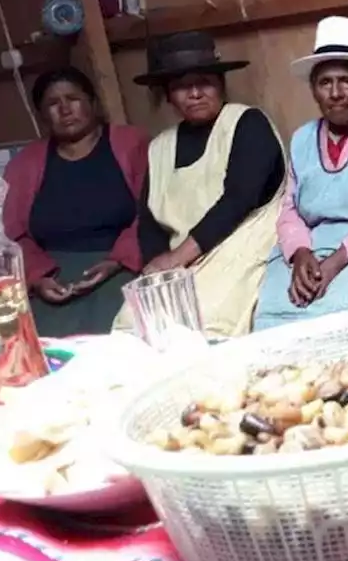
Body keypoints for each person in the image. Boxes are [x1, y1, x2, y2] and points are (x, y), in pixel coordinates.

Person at [121, 31, 285, 337]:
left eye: (204, 82)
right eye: (182, 86)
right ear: (167, 94)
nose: (195, 93)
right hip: (179, 265)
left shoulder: (247, 124)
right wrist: (158, 266)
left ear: (221, 84)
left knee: (207, 324)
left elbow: (238, 199)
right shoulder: (160, 147)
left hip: (239, 250)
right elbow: (149, 222)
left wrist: (177, 258)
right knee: (132, 326)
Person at [253, 18, 348, 330]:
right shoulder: (301, 138)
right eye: (325, 83)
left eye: (346, 81)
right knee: (274, 316)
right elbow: (290, 209)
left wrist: (337, 261)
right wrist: (299, 253)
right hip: (309, 245)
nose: (335, 92)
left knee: (341, 319)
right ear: (314, 90)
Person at [2, 67, 148, 336]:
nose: (65, 109)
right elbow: (12, 233)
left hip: (123, 267)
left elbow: (151, 212)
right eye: (53, 104)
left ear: (92, 102)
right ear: (42, 115)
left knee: (117, 341)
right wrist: (37, 278)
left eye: (73, 99)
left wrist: (117, 261)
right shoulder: (24, 164)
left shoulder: (132, 144)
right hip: (54, 277)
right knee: (43, 350)